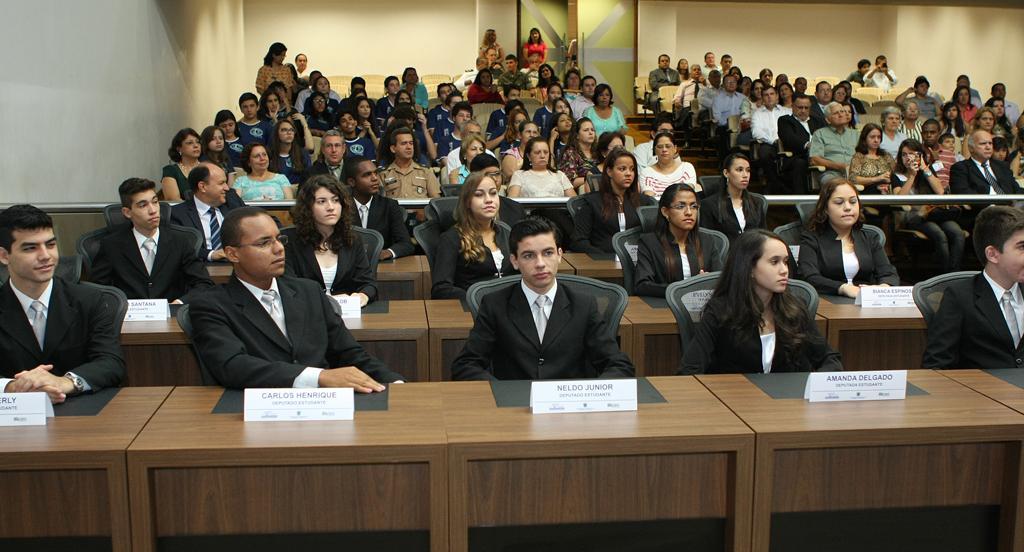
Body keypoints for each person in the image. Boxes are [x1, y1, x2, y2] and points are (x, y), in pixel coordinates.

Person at [188, 207, 402, 390]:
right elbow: (232, 366)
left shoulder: (309, 291)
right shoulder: (211, 305)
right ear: (232, 254)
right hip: (254, 413)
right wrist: (318, 377)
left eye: (279, 239)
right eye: (263, 243)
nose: (279, 248)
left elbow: (348, 352)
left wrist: (394, 382)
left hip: (322, 407)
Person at [451, 216, 634, 381]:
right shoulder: (495, 304)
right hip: (515, 407)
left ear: (560, 255)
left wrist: (589, 394)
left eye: (548, 253)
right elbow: (466, 365)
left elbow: (618, 365)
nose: (540, 264)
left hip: (569, 409)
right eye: (529, 256)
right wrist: (501, 393)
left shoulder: (583, 305)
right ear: (514, 261)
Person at [0, 205, 125, 400]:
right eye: (31, 248)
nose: (45, 256)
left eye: (50, 245)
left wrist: (64, 382)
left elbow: (110, 362)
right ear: (4, 256)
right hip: (12, 417)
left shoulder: (89, 299)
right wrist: (12, 387)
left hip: (82, 413)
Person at [679, 229, 841, 374]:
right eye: (774, 262)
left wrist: (814, 384)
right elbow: (690, 368)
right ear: (749, 268)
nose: (784, 270)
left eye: (785, 261)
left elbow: (830, 359)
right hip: (735, 400)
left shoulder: (795, 309)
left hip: (787, 402)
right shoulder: (721, 311)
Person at [923, 206, 1024, 370]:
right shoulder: (960, 297)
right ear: (992, 254)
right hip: (983, 391)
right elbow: (936, 365)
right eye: (1022, 247)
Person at [91, 178, 213, 302]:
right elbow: (99, 290)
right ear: (127, 212)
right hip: (129, 318)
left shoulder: (180, 241)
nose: (153, 210)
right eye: (143, 205)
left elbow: (203, 284)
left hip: (172, 316)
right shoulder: (111, 245)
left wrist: (180, 303)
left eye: (155, 202)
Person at [798, 179, 900, 298]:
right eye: (839, 202)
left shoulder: (870, 237)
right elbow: (809, 277)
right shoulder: (811, 238)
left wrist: (882, 289)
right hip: (827, 301)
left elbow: (889, 273)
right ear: (825, 208)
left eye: (853, 202)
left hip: (866, 301)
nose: (847, 207)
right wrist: (842, 288)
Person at [283, 176, 375, 306]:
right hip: (305, 314)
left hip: (346, 315)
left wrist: (362, 295)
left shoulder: (352, 238)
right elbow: (287, 287)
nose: (331, 207)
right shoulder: (289, 241)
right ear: (308, 207)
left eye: (336, 200)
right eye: (321, 201)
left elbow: (368, 283)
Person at [431, 172, 512, 300]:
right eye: (479, 195)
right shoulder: (451, 238)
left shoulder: (507, 233)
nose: (489, 200)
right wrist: (475, 299)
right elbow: (441, 288)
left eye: (493, 193)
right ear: (467, 202)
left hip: (510, 308)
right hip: (472, 311)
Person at [634, 183, 724, 297]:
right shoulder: (649, 243)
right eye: (681, 206)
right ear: (665, 212)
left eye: (693, 206)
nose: (689, 212)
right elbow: (642, 285)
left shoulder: (707, 241)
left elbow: (721, 281)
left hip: (703, 309)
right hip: (663, 308)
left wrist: (707, 282)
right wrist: (688, 287)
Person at [891, 139, 964, 272]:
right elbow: (900, 199)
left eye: (912, 154)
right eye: (904, 154)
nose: (908, 158)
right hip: (914, 216)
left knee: (957, 232)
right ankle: (944, 274)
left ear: (920, 155)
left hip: (935, 214)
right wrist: (912, 176)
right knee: (939, 234)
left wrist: (924, 169)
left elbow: (940, 192)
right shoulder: (897, 175)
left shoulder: (927, 171)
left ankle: (955, 272)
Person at [570, 148, 654, 254]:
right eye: (622, 169)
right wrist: (602, 258)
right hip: (603, 262)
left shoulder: (644, 202)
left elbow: (654, 238)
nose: (629, 173)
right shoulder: (591, 203)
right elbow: (578, 241)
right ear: (609, 171)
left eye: (632, 169)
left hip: (639, 262)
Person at [170, 163, 247, 262]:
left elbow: (256, 219)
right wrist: (211, 254)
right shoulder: (178, 214)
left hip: (236, 264)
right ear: (202, 187)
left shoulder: (232, 200)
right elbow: (179, 248)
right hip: (199, 268)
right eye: (221, 183)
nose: (227, 188)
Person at [343, 156, 413, 261]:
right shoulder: (341, 207)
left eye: (375, 173)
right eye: (367, 175)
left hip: (380, 266)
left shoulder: (389, 206)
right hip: (348, 265)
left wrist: (387, 252)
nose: (375, 178)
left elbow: (406, 244)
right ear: (352, 182)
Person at [700, 154, 767, 242]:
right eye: (739, 170)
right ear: (726, 173)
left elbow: (764, 237)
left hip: (753, 253)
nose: (745, 175)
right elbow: (707, 242)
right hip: (725, 255)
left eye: (748, 170)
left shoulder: (757, 203)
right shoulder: (709, 205)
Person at [950, 130, 1022, 196]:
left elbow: (1016, 189)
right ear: (971, 148)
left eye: (990, 143)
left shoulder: (1002, 166)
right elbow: (961, 193)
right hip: (984, 208)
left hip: (1011, 207)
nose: (988, 147)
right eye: (983, 143)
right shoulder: (960, 168)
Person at [777, 94, 825, 194]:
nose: (803, 110)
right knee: (800, 164)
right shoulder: (785, 120)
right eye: (800, 107)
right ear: (793, 106)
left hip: (822, 154)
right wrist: (808, 145)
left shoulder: (817, 120)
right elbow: (790, 139)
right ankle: (800, 201)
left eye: (806, 108)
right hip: (797, 156)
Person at [379, 127, 441, 199]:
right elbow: (380, 204)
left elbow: (436, 201)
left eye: (411, 143)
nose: (409, 147)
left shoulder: (426, 171)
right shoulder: (383, 174)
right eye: (404, 143)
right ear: (393, 149)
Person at [751, 85, 791, 191]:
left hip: (787, 144)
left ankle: (783, 184)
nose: (769, 97)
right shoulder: (757, 113)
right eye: (766, 95)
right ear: (763, 98)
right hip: (769, 144)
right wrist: (773, 141)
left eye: (772, 94)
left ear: (777, 96)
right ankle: (775, 183)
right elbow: (756, 132)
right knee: (764, 153)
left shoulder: (787, 111)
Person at [508, 137, 575, 198]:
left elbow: (574, 202)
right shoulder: (519, 175)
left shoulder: (560, 175)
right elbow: (512, 202)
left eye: (546, 152)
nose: (542, 156)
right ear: (528, 156)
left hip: (558, 211)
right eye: (537, 152)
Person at [810, 102, 859, 184]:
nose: (840, 115)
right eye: (836, 113)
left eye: (842, 111)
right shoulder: (820, 134)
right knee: (836, 184)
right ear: (828, 120)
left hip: (855, 173)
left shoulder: (856, 134)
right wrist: (840, 166)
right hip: (832, 174)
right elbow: (815, 159)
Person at [639, 131, 697, 197]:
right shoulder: (647, 172)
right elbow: (650, 199)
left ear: (675, 149)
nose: (664, 150)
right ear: (654, 150)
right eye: (660, 147)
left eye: (668, 146)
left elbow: (688, 194)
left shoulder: (687, 168)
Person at [848, 123, 896, 194]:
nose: (876, 140)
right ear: (864, 139)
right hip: (867, 193)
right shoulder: (859, 156)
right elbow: (853, 179)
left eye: (879, 137)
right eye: (872, 137)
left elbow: (895, 175)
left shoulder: (886, 156)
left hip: (887, 193)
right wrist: (877, 179)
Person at [557, 117, 600, 193]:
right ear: (577, 135)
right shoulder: (570, 153)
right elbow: (568, 182)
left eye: (592, 130)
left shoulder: (599, 152)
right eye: (586, 130)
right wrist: (592, 179)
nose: (590, 132)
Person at [160, 128, 201, 201]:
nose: (196, 145)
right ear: (179, 149)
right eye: (190, 143)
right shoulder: (171, 171)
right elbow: (174, 201)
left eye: (198, 142)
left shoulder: (208, 167)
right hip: (184, 211)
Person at [267, 118, 311, 185]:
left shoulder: (303, 154)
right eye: (284, 130)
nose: (289, 133)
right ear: (276, 134)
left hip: (299, 191)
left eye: (291, 130)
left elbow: (309, 178)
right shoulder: (269, 155)